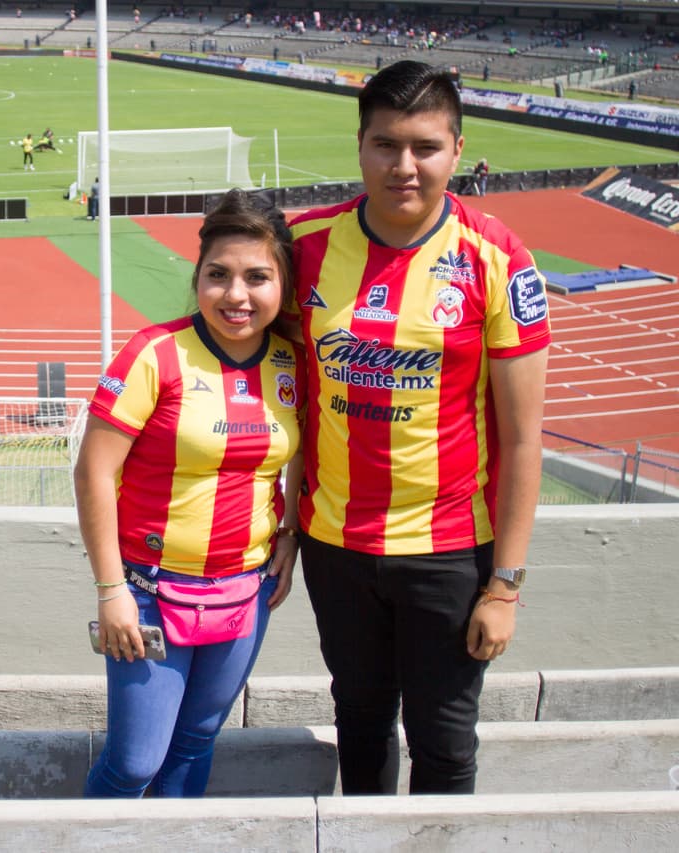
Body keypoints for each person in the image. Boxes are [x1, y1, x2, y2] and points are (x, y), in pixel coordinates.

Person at [288, 60, 550, 796]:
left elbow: (524, 438)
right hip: (335, 545)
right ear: (360, 146)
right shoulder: (304, 246)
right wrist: (284, 528)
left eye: (426, 147)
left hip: (450, 554)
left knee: (444, 738)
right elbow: (283, 399)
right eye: (385, 144)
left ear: (457, 151)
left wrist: (505, 586)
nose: (404, 166)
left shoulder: (498, 258)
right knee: (360, 720)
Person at [78, 189, 303, 798]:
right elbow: (93, 473)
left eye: (257, 277)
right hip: (149, 592)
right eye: (218, 274)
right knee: (134, 763)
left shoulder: (292, 362)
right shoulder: (154, 354)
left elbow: (304, 452)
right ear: (197, 274)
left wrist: (290, 531)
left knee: (197, 740)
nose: (236, 294)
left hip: (246, 591)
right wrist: (111, 590)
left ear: (282, 283)